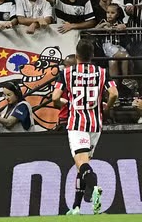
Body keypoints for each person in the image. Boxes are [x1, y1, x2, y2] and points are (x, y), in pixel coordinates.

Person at [52, 39, 118, 215]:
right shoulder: (102, 72)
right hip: (95, 124)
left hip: (77, 124)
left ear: (76, 55)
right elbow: (114, 93)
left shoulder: (67, 73)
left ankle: (95, 188)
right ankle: (76, 207)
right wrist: (107, 107)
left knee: (82, 164)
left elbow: (54, 97)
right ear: (93, 55)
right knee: (83, 165)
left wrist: (62, 103)